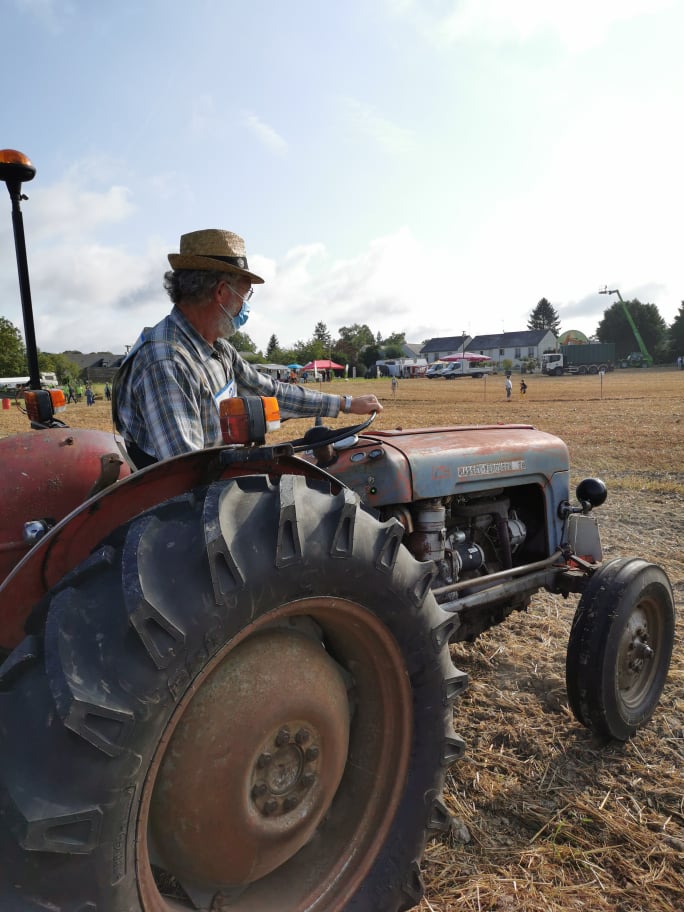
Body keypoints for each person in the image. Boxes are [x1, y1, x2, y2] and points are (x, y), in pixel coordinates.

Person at [113, 229, 382, 469]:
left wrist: (345, 404)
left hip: (216, 472)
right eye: (245, 295)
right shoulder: (166, 362)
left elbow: (270, 392)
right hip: (184, 497)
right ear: (221, 292)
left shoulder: (219, 350)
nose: (245, 306)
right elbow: (186, 469)